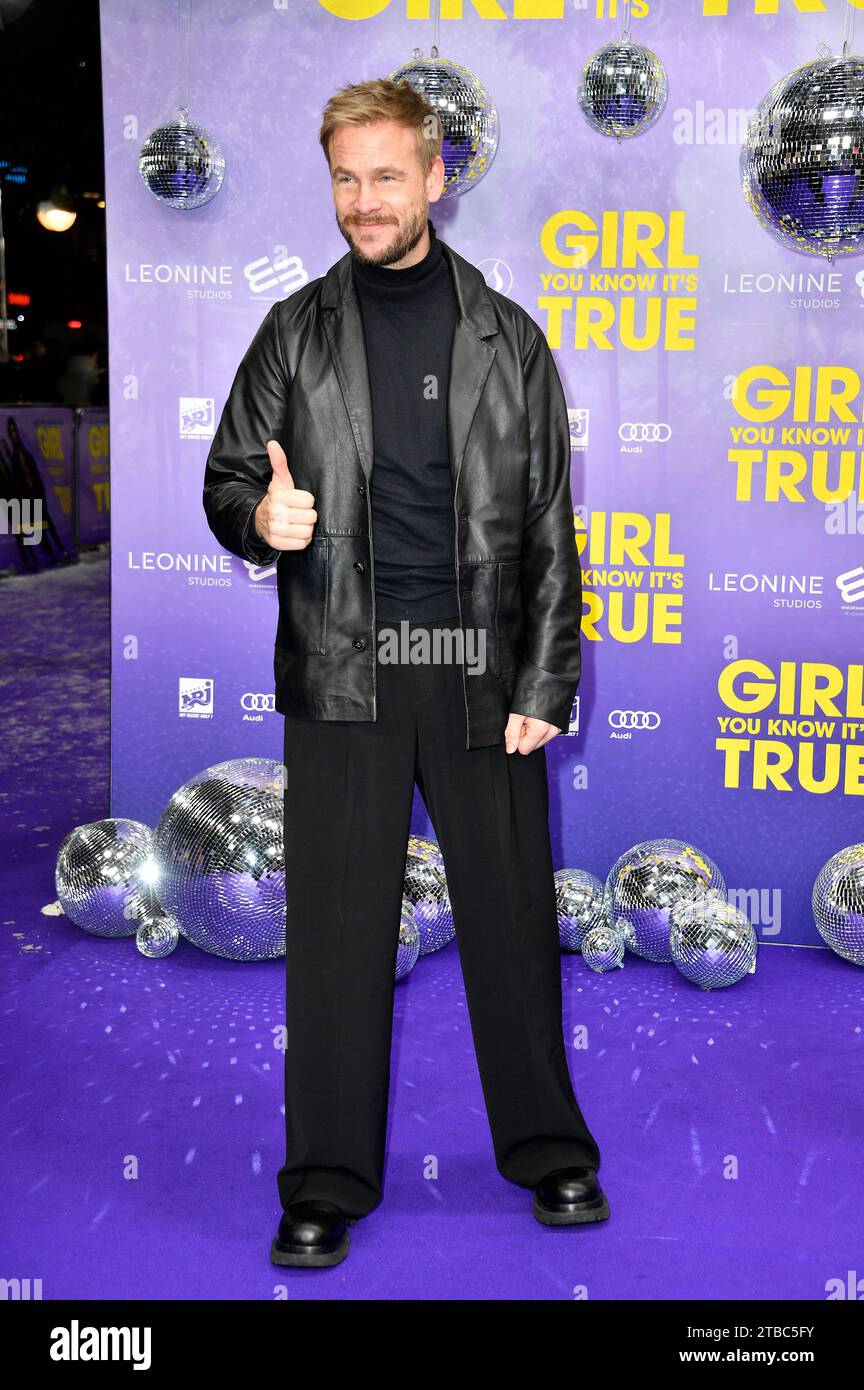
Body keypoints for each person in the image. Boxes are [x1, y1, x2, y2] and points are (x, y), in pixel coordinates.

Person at [203, 77, 608, 1270]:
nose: (363, 200)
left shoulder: (507, 337)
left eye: (386, 175)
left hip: (480, 672)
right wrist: (258, 519)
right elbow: (232, 477)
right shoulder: (295, 331)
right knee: (333, 938)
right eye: (344, 177)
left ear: (436, 178)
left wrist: (545, 679)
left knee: (512, 927)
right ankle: (325, 1179)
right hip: (345, 671)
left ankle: (549, 1150)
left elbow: (545, 526)